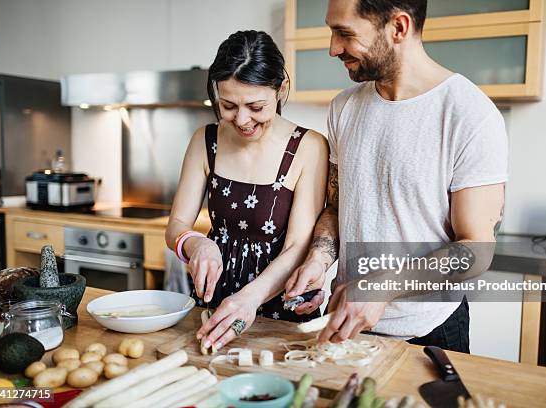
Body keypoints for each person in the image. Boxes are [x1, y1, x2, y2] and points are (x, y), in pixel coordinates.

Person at [285, 0, 507, 353]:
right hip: (349, 321)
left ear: (399, 28)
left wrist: (380, 287)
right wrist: (318, 259)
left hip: (430, 331)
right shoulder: (344, 107)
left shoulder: (469, 114)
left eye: (345, 33)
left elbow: (477, 248)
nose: (333, 48)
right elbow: (338, 206)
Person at [166, 30, 328, 350]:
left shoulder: (308, 146)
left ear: (280, 89)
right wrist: (196, 245)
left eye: (256, 106)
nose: (241, 120)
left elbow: (298, 245)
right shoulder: (205, 140)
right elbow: (176, 227)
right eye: (228, 105)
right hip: (213, 307)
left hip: (280, 309)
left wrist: (250, 299)